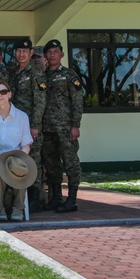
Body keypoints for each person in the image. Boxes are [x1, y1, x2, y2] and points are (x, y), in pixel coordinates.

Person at [40, 39, 85, 213]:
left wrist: (76, 125)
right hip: (47, 128)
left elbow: (77, 102)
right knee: (51, 165)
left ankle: (72, 199)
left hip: (65, 128)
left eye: (55, 51)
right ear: (45, 56)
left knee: (71, 162)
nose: (52, 55)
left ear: (62, 54)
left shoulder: (69, 75)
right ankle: (56, 198)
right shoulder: (42, 76)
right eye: (49, 52)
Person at [0, 80, 33, 221]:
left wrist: (20, 158)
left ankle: (18, 209)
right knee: (0, 170)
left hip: (17, 156)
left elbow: (26, 144)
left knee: (20, 169)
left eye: (3, 92)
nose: (0, 96)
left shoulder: (22, 117)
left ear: (9, 94)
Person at [8, 37, 46, 208]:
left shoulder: (36, 73)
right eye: (18, 51)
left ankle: (36, 197)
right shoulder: (14, 71)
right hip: (15, 123)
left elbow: (40, 101)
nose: (21, 54)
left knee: (34, 159)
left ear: (31, 53)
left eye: (24, 51)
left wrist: (35, 125)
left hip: (30, 124)